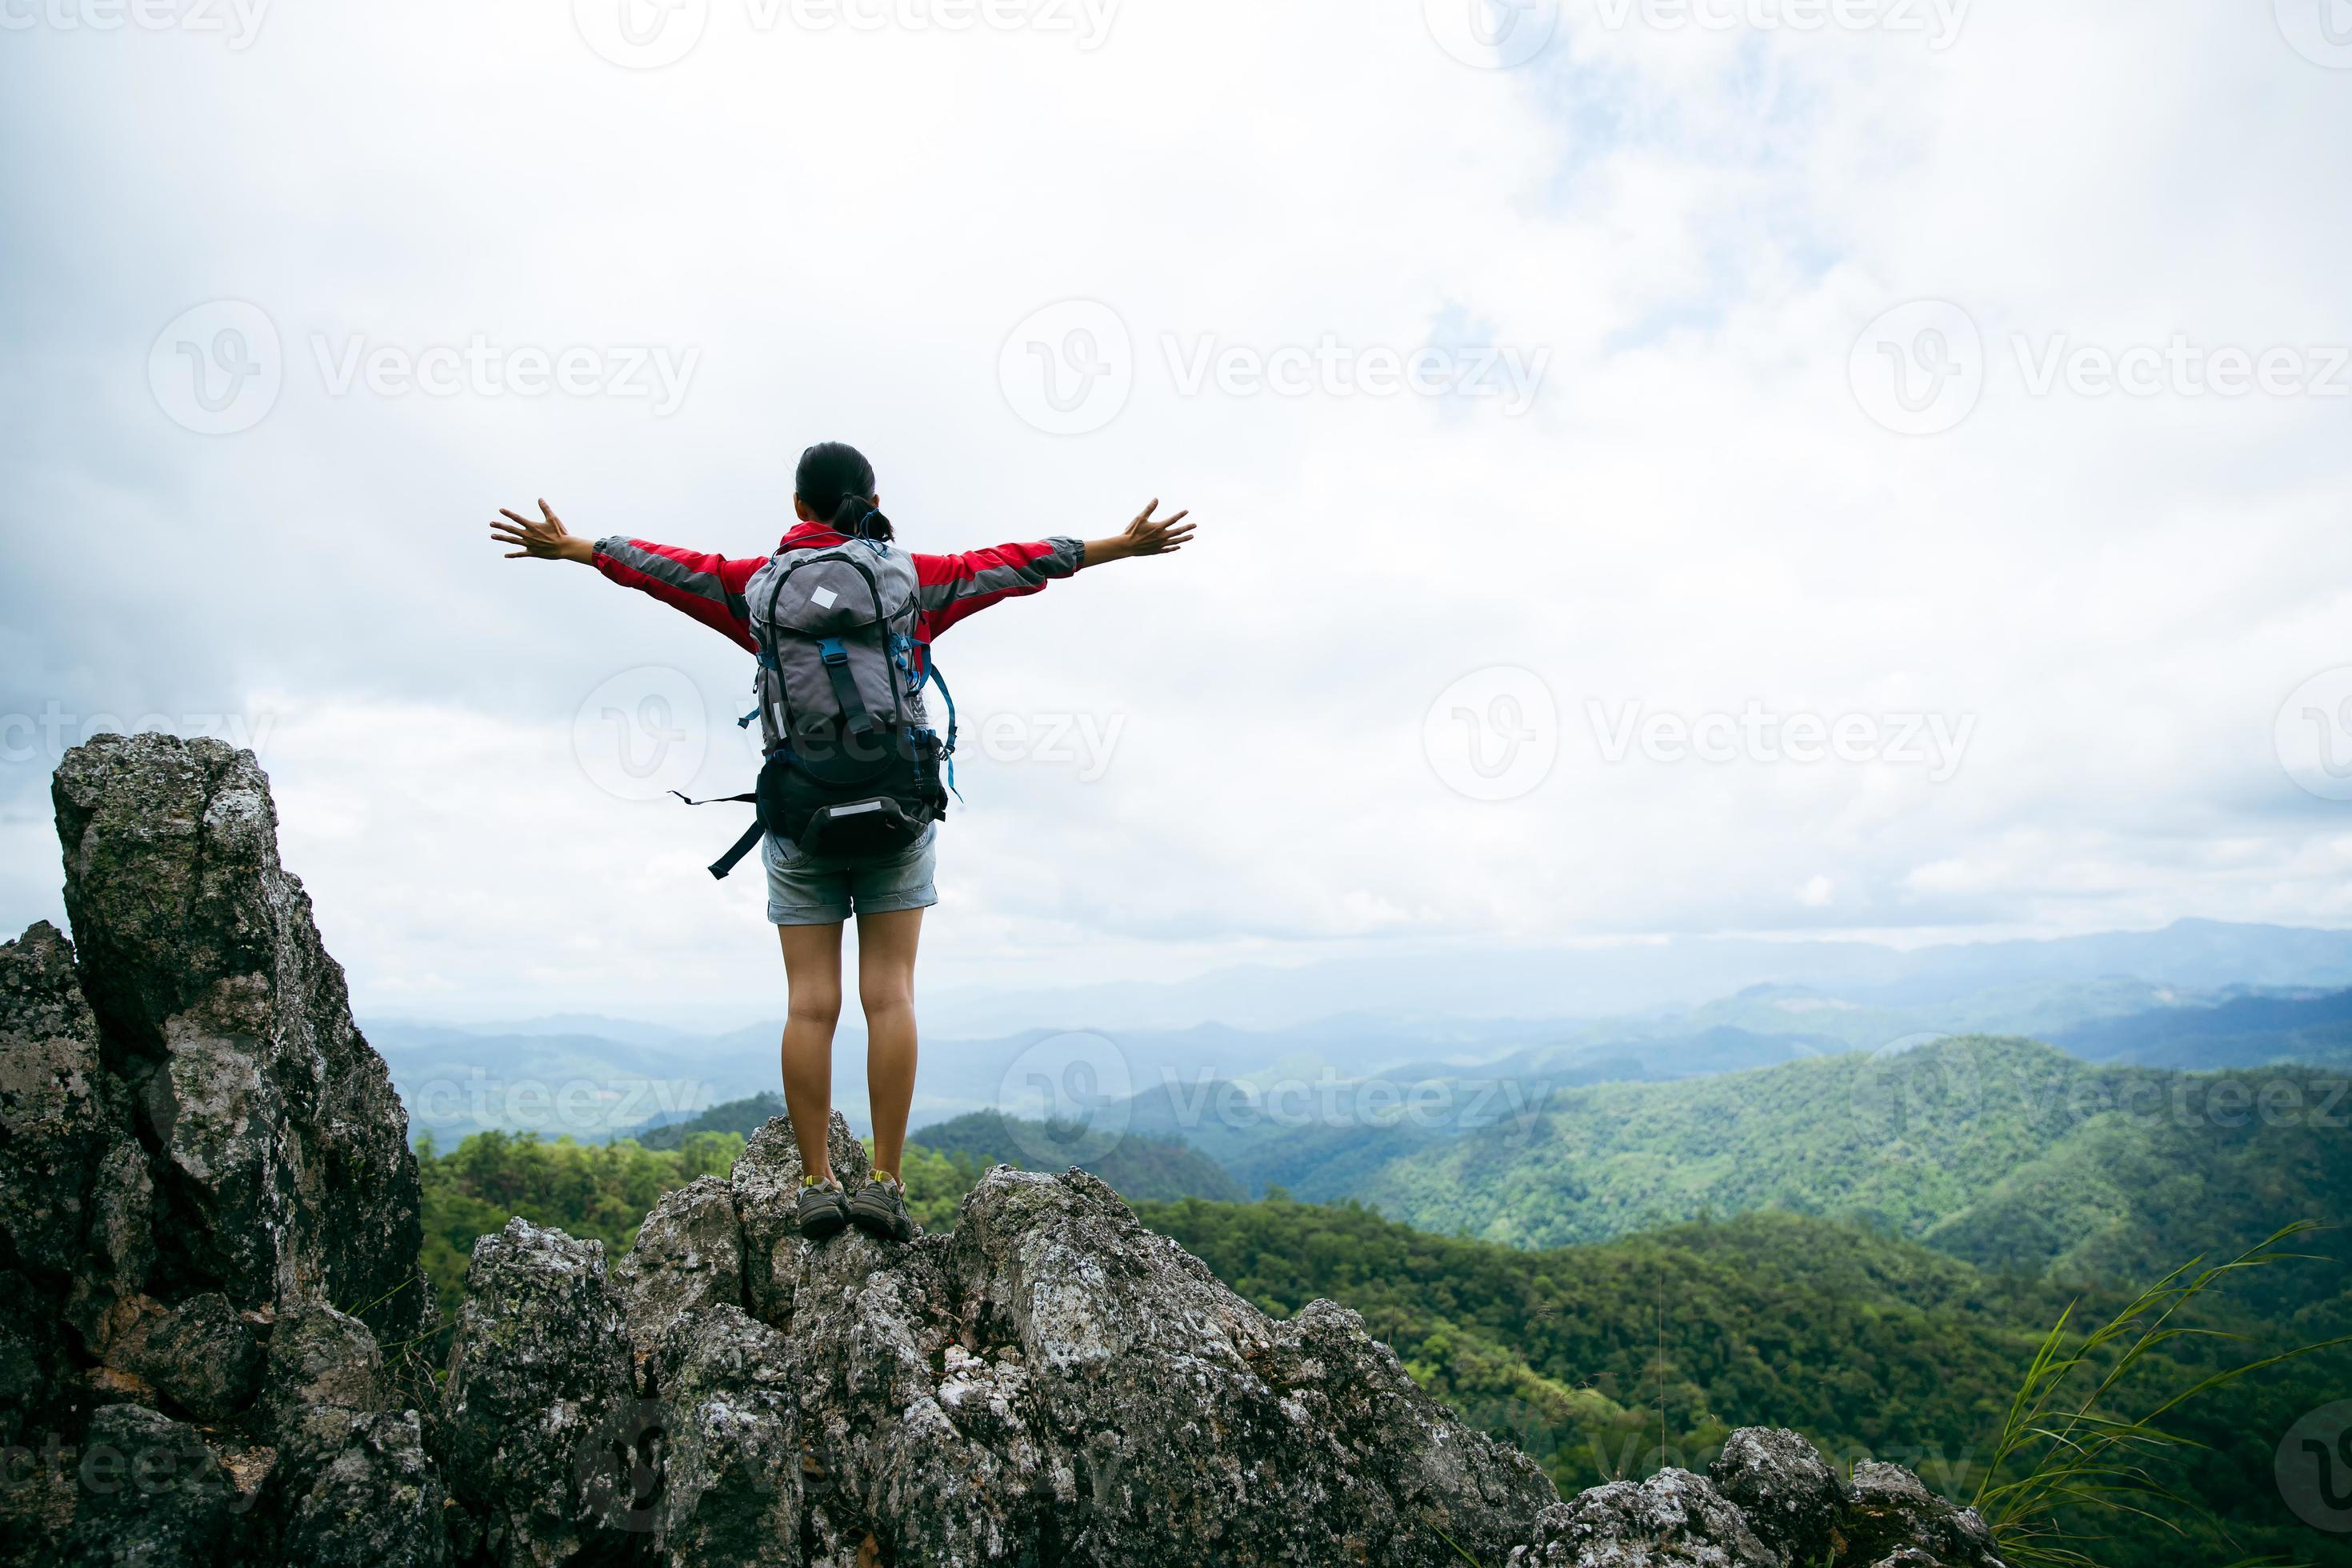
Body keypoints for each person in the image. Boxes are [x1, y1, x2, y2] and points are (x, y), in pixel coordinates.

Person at [489, 442, 1194, 1243]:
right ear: (872, 499)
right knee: (888, 994)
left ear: (798, 508)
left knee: (809, 1004)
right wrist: (1118, 546)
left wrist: (580, 549)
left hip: (800, 818)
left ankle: (817, 1182)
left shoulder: (755, 588)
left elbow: (664, 569)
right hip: (898, 812)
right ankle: (887, 1184)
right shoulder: (911, 579)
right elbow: (1014, 563)